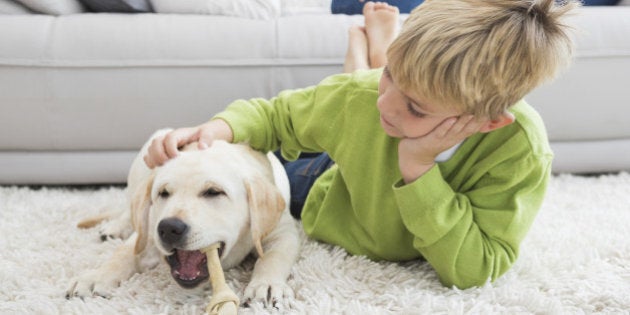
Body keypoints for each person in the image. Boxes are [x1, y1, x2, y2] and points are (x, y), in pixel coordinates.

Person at [143, 0, 579, 289]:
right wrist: (215, 129)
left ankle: (373, 52)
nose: (384, 103)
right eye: (391, 75)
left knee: (357, 104)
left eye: (415, 107)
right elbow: (276, 117)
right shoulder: (366, 97)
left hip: (370, 160)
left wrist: (420, 169)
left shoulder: (519, 149)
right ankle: (375, 57)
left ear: (485, 122)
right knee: (342, 106)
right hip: (326, 187)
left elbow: (475, 268)